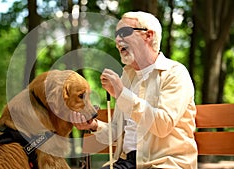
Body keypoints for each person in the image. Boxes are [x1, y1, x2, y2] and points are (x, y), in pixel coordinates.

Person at [71, 11, 198, 169]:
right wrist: (93, 125)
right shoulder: (127, 76)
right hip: (127, 162)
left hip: (165, 164)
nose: (117, 40)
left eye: (124, 33)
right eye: (116, 35)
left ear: (148, 35)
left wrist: (122, 94)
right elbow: (118, 131)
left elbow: (162, 125)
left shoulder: (175, 73)